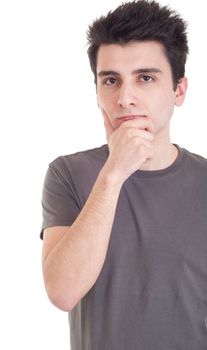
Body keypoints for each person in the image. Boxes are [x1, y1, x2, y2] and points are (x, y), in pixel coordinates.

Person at [40, 0, 207, 349]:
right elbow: (62, 292)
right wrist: (114, 173)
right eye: (111, 81)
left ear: (179, 90)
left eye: (145, 78)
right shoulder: (68, 174)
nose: (125, 98)